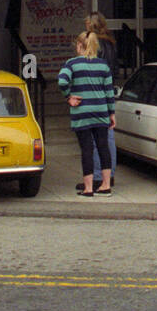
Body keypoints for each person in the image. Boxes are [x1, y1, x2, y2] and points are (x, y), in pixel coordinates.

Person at [58, 31, 115, 197]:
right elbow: (109, 92)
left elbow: (62, 81)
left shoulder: (72, 64)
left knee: (87, 149)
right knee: (103, 147)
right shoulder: (103, 65)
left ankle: (88, 188)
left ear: (78, 45)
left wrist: (68, 96)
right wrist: (111, 113)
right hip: (101, 111)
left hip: (82, 112)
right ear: (95, 46)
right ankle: (105, 186)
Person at [80, 12, 118, 193]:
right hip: (108, 90)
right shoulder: (111, 41)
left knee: (95, 139)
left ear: (92, 25)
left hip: (96, 91)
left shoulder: (98, 44)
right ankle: (108, 175)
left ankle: (96, 177)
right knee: (107, 136)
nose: (85, 26)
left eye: (87, 23)